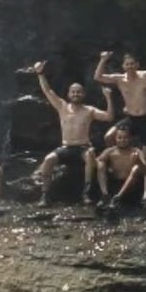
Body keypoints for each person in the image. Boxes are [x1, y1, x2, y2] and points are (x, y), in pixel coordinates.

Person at [33, 60, 115, 206]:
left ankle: (86, 192)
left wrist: (108, 97)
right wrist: (40, 73)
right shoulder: (62, 106)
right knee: (48, 159)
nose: (76, 94)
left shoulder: (89, 110)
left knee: (90, 155)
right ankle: (45, 195)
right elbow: (47, 91)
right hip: (65, 148)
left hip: (83, 148)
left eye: (79, 92)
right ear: (69, 94)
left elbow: (109, 117)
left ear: (83, 94)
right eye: (73, 92)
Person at [95, 51, 146, 203]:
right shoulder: (119, 79)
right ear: (123, 66)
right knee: (108, 136)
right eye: (127, 64)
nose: (130, 67)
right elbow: (98, 77)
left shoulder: (145, 75)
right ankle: (116, 164)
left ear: (137, 65)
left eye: (132, 63)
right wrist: (103, 60)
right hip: (131, 118)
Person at [96, 126, 146, 209]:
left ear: (130, 139)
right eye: (120, 138)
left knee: (136, 168)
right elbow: (96, 163)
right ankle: (105, 195)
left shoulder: (136, 151)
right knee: (101, 164)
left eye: (125, 138)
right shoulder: (110, 151)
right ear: (115, 139)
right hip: (115, 184)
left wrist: (138, 162)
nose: (122, 140)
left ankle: (118, 197)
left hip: (131, 188)